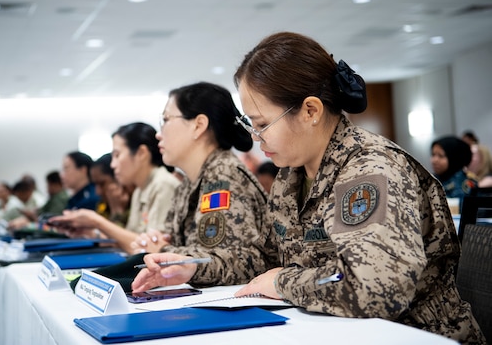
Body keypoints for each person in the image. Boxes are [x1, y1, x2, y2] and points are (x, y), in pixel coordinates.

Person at [131, 32, 485, 344]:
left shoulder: (369, 169)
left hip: (412, 335)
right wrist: (194, 266)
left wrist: (284, 282)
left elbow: (375, 288)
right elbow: (265, 257)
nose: (256, 139)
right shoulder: (292, 176)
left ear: (310, 110)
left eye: (263, 124)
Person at [130, 82, 268, 287]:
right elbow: (186, 246)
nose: (158, 134)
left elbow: (243, 262)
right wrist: (160, 244)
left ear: (198, 125)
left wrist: (161, 251)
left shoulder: (223, 176)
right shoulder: (188, 182)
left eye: (166, 120)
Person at [49, 123, 180, 252]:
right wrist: (93, 234)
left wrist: (97, 221)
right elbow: (132, 241)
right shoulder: (141, 189)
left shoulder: (163, 185)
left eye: (117, 155)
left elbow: (152, 249)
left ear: (141, 153)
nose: (113, 165)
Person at [90, 153, 132, 227]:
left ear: (118, 178)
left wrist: (117, 211)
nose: (98, 192)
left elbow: (120, 236)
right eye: (95, 185)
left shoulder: (136, 203)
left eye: (102, 184)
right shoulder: (103, 205)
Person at [431, 136, 478, 202]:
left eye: (441, 156)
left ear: (453, 158)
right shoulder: (432, 179)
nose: (434, 160)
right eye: (433, 155)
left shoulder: (463, 182)